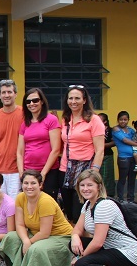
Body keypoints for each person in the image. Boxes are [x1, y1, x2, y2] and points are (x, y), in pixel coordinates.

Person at [71, 170, 137, 266]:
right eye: (82, 185)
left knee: (81, 265)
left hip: (127, 253)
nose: (85, 189)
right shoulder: (88, 204)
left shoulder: (104, 206)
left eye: (90, 185)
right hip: (110, 248)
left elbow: (98, 242)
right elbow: (77, 229)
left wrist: (80, 258)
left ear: (99, 186)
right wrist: (75, 237)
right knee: (75, 245)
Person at [0, 170, 75, 266]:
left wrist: (29, 243)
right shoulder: (20, 197)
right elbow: (19, 225)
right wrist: (26, 241)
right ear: (22, 184)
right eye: (26, 183)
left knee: (36, 249)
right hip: (35, 234)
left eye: (33, 183)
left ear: (40, 185)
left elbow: (45, 233)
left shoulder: (45, 201)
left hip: (59, 237)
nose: (29, 187)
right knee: (10, 237)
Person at [59, 85, 105, 222]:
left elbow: (100, 150)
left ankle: (83, 234)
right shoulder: (66, 119)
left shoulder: (94, 120)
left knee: (80, 211)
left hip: (85, 170)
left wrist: (94, 172)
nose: (73, 101)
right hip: (65, 170)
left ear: (84, 100)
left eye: (77, 98)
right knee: (68, 211)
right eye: (70, 98)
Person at [17, 88, 61, 199]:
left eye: (35, 100)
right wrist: (22, 173)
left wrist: (43, 174)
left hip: (49, 172)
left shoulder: (51, 120)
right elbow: (20, 152)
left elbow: (56, 149)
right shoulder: (24, 124)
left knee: (48, 202)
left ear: (42, 101)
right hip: (29, 172)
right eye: (28, 101)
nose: (32, 104)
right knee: (30, 203)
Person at [0, 79, 23, 198]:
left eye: (10, 92)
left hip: (17, 170)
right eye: (4, 92)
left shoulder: (25, 114)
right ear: (0, 95)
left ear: (15, 94)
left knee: (15, 203)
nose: (7, 95)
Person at [112, 111, 137, 204]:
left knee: (132, 180)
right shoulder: (116, 129)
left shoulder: (130, 130)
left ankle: (131, 199)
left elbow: (136, 137)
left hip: (134, 157)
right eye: (121, 119)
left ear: (128, 120)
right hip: (123, 158)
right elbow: (125, 140)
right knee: (122, 179)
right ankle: (120, 199)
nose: (123, 121)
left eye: (125, 119)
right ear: (118, 120)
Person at [98, 113, 116, 198]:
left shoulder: (110, 130)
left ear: (105, 121)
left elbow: (114, 142)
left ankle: (108, 195)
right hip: (96, 156)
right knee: (98, 176)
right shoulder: (94, 129)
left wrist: (102, 146)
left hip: (107, 156)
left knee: (107, 177)